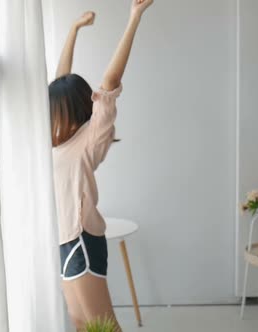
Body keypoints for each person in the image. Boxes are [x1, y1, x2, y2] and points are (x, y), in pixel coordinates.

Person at [49, 1, 153, 331]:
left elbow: (110, 79)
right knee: (82, 326)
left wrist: (134, 17)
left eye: (54, 107)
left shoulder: (91, 136)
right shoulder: (59, 139)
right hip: (63, 240)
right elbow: (60, 79)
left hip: (82, 240)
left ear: (70, 108)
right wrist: (73, 30)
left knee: (103, 326)